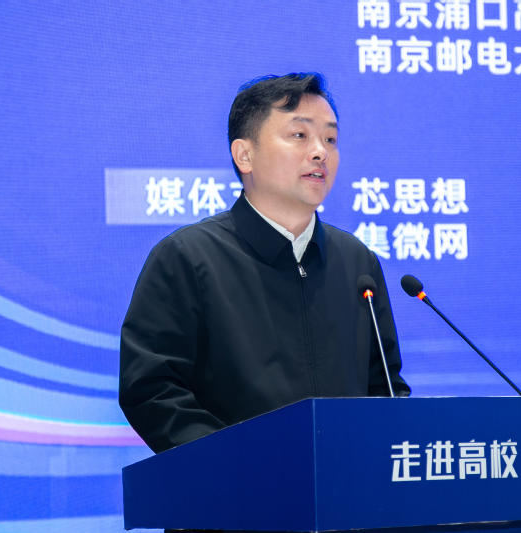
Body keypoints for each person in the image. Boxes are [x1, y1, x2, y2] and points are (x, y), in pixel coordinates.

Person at [119, 73, 410, 457]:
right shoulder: (187, 258)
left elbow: (385, 388)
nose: (320, 152)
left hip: (346, 489)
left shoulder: (357, 262)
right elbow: (153, 390)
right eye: (299, 135)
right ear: (245, 155)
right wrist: (242, 463)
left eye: (330, 139)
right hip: (233, 489)